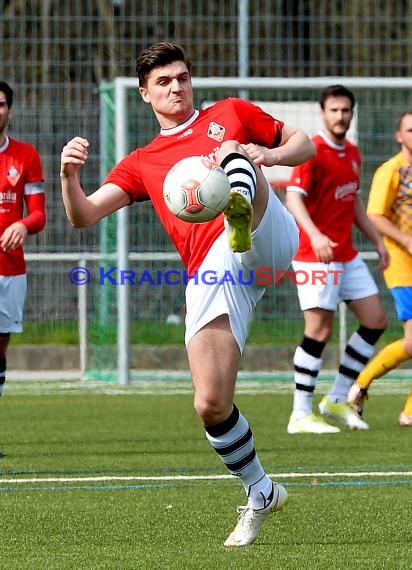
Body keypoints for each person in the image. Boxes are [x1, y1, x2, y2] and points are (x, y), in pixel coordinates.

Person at [60, 42, 315, 546]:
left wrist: (271, 154)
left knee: (233, 154)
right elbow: (83, 214)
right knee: (210, 402)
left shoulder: (231, 113)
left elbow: (303, 144)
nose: (176, 87)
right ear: (144, 94)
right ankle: (260, 491)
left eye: (182, 77)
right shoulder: (142, 161)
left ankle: (237, 204)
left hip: (267, 234)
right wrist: (69, 175)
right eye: (163, 82)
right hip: (215, 272)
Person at [285, 84, 389, 434]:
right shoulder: (311, 152)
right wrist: (315, 236)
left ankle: (337, 398)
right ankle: (300, 414)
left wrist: (378, 239)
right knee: (319, 330)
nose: (340, 116)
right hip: (316, 257)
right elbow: (294, 199)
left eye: (345, 110)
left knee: (375, 320)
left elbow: (354, 201)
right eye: (334, 110)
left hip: (346, 254)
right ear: (323, 113)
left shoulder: (353, 153)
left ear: (351, 113)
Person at [348, 111, 412, 428]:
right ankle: (359, 385)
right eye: (411, 130)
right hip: (403, 266)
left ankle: (409, 413)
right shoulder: (392, 171)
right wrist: (406, 240)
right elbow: (374, 214)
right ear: (399, 136)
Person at [0, 81, 46, 403]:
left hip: (10, 270)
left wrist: (23, 224)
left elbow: (39, 214)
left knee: (0, 348)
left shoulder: (26, 155)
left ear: (9, 111)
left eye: (0, 104)